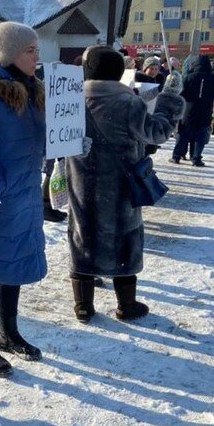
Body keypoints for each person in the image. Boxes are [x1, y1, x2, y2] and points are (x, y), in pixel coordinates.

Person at [66, 47, 184, 323]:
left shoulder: (70, 99)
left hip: (81, 181)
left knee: (82, 236)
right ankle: (126, 305)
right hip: (119, 186)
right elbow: (157, 132)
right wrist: (169, 99)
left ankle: (83, 305)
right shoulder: (127, 102)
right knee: (124, 240)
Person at [0, 22, 50, 377]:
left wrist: (68, 145)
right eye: (30, 51)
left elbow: (39, 141)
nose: (37, 57)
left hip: (26, 194)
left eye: (36, 50)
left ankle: (9, 332)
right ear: (9, 54)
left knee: (13, 265)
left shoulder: (34, 90)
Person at [170, 55, 214, 167]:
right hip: (205, 111)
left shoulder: (188, 77)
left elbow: (180, 93)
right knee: (200, 135)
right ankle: (196, 158)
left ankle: (176, 156)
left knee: (183, 134)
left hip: (188, 110)